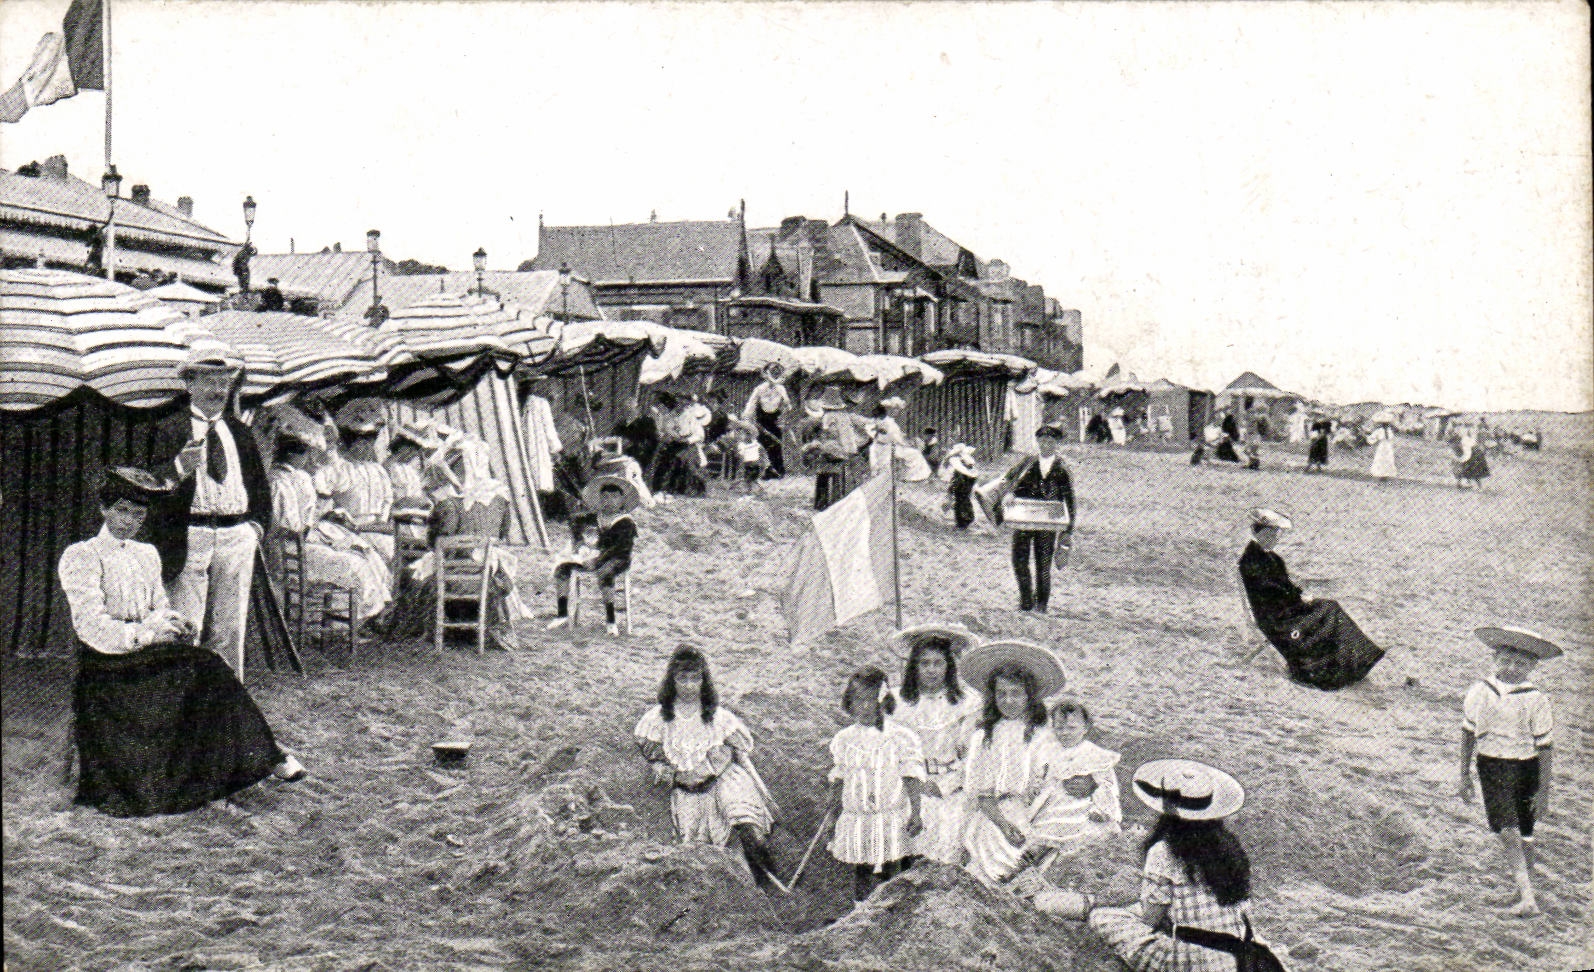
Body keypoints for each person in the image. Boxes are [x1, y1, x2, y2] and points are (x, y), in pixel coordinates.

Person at [60, 468, 304, 818]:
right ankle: (269, 756)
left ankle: (237, 766)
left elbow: (158, 607)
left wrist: (173, 622)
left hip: (146, 655)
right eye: (122, 511)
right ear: (104, 509)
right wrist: (145, 635)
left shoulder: (147, 554)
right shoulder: (81, 555)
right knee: (206, 667)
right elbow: (91, 626)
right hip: (107, 665)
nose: (129, 521)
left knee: (206, 666)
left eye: (138, 514)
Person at [145, 340, 273, 682]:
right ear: (189, 383)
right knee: (185, 623)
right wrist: (176, 467)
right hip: (191, 534)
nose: (218, 389)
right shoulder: (169, 429)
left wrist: (255, 529)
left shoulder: (240, 432)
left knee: (230, 627)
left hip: (236, 536)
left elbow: (261, 488)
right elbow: (150, 486)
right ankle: (180, 699)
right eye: (208, 380)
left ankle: (225, 703)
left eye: (223, 381)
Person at [1086, 760, 1269, 972]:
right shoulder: (1230, 848)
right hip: (1243, 953)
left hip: (1200, 960)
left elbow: (1150, 918)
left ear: (1166, 806)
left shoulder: (1164, 850)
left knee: (1103, 918)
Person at [635, 646, 782, 891]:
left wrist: (762, 792)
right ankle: (746, 893)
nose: (689, 686)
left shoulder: (718, 717)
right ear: (672, 681)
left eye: (696, 679)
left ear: (704, 681)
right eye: (682, 679)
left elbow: (741, 751)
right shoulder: (659, 718)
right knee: (706, 852)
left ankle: (769, 883)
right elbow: (650, 752)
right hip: (689, 790)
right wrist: (666, 769)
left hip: (725, 779)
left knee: (745, 826)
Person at [1459, 626, 1560, 917]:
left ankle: (1526, 896)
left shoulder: (1536, 699)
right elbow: (1468, 733)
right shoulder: (1480, 691)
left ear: (1533, 666)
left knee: (1524, 832)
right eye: (1506, 660)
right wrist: (1464, 775)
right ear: (1495, 658)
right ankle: (1525, 893)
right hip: (1493, 765)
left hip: (1525, 767)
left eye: (1522, 664)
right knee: (1507, 829)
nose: (1512, 668)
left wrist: (1543, 790)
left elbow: (1545, 747)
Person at [1238, 508, 1392, 690]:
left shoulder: (1271, 558)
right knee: (1330, 610)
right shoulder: (1251, 559)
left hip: (1284, 609)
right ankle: (1340, 666)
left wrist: (1300, 595)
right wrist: (1298, 599)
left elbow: (1285, 585)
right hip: (1275, 617)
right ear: (1261, 533)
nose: (1276, 539)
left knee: (1330, 607)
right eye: (1272, 534)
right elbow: (1269, 590)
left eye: (1276, 534)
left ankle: (1356, 659)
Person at [958, 640, 1070, 887]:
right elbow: (980, 792)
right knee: (986, 870)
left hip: (1035, 814)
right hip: (995, 815)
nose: (1008, 701)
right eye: (1002, 694)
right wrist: (1005, 825)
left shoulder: (1044, 735)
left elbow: (1052, 783)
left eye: (1016, 693)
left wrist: (1034, 819)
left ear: (1029, 696)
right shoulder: (984, 736)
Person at [827, 666, 927, 903]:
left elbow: (910, 775)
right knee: (862, 868)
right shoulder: (844, 739)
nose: (864, 706)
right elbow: (839, 779)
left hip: (890, 816)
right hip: (859, 816)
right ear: (849, 702)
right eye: (858, 700)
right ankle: (862, 912)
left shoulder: (900, 736)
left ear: (883, 701)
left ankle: (893, 912)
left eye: (871, 700)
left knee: (893, 866)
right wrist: (832, 815)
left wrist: (916, 812)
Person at [420, 437, 531, 650]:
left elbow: (436, 541)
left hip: (455, 571)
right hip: (489, 569)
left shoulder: (449, 502)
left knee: (419, 572)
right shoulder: (499, 498)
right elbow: (503, 532)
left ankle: (441, 628)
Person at [270, 435, 392, 621]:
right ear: (294, 455)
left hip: (304, 541)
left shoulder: (298, 477)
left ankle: (371, 615)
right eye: (307, 455)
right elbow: (288, 528)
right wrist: (321, 535)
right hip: (289, 550)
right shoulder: (279, 482)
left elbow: (306, 517)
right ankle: (355, 620)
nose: (310, 460)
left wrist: (325, 521)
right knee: (355, 564)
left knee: (365, 552)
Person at [890, 624, 981, 866]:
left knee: (954, 824)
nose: (931, 670)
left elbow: (973, 756)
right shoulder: (896, 701)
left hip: (950, 784)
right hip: (907, 782)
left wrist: (945, 785)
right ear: (914, 667)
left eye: (938, 663)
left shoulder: (966, 702)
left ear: (948, 667)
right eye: (924, 663)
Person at [981, 423, 1076, 613]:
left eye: (1050, 441)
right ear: (1038, 441)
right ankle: (1026, 600)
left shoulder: (1062, 468)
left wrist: (1068, 529)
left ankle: (1041, 604)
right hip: (1023, 518)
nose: (1046, 444)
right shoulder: (1029, 462)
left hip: (1048, 522)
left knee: (1043, 564)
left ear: (1056, 443)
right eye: (1042, 440)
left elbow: (1069, 500)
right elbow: (1010, 481)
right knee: (1019, 560)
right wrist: (1010, 494)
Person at [1024, 697, 1123, 856]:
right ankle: (1032, 858)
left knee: (1079, 834)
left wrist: (1102, 808)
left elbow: (1107, 784)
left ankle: (1062, 857)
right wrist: (1035, 787)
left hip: (1081, 806)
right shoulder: (1050, 750)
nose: (1065, 733)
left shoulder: (1093, 754)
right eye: (1059, 728)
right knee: (1042, 832)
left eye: (1071, 728)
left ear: (1085, 728)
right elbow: (1040, 774)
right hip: (1053, 802)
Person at [547, 475, 640, 636]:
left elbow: (620, 548)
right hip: (595, 555)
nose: (609, 501)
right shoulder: (598, 517)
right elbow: (575, 520)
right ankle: (562, 614)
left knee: (605, 572)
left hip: (618, 558)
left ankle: (611, 621)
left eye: (613, 497)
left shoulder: (626, 522)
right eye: (604, 497)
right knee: (562, 568)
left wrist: (597, 560)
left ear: (622, 501)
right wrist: (579, 541)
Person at [317, 403, 395, 560]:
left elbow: (387, 503)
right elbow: (323, 502)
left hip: (376, 529)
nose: (367, 447)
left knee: (393, 551)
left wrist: (377, 524)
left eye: (370, 442)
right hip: (345, 531)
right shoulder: (341, 468)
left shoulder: (378, 471)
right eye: (362, 443)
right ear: (349, 445)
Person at [800, 386, 868, 512]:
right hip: (844, 451)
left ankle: (822, 503)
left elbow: (825, 434)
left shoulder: (828, 416)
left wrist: (815, 444)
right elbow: (850, 434)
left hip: (831, 450)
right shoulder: (845, 416)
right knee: (838, 476)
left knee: (824, 475)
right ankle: (837, 501)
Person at [742, 363, 791, 479]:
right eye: (772, 372)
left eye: (776, 372)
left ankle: (777, 470)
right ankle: (764, 471)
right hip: (762, 420)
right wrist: (747, 417)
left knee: (776, 445)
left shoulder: (781, 389)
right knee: (762, 445)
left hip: (775, 420)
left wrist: (783, 415)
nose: (774, 375)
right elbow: (751, 405)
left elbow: (788, 405)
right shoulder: (759, 389)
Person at [941, 443, 980, 530]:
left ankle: (962, 523)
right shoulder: (969, 474)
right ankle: (966, 520)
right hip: (965, 489)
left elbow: (955, 483)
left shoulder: (960, 474)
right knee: (964, 502)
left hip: (962, 489)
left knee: (961, 503)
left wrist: (950, 491)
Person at [1367, 412, 1398, 480]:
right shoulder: (1384, 431)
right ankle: (1382, 474)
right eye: (1386, 424)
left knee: (1385, 458)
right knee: (1383, 459)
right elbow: (1373, 438)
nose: (1387, 425)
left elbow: (1372, 438)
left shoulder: (1386, 431)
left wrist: (1370, 440)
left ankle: (1384, 474)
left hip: (1385, 446)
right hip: (1385, 446)